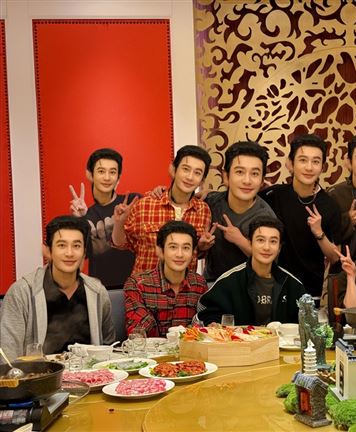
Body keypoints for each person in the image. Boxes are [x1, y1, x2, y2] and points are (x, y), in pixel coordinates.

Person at [0, 216, 115, 360]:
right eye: (61, 245)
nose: (69, 253)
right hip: (39, 372)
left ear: (84, 252)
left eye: (76, 246)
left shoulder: (97, 292)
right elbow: (7, 357)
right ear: (48, 251)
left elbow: (109, 348)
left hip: (90, 371)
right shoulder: (22, 293)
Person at [111, 145, 215, 275]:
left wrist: (201, 246)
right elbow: (121, 243)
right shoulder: (145, 204)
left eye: (197, 173)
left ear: (202, 181)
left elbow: (195, 254)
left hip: (184, 286)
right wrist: (119, 223)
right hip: (144, 285)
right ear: (173, 169)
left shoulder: (203, 211)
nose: (190, 177)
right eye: (185, 169)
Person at [260, 134, 341, 297]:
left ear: (323, 167)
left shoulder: (330, 205)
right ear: (290, 163)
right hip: (272, 288)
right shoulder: (273, 195)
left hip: (309, 292)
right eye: (303, 160)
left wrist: (319, 233)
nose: (309, 167)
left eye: (316, 162)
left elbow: (335, 258)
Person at [195, 216, 306, 326]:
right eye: (260, 240)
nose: (266, 247)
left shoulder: (292, 284)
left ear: (279, 248)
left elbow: (307, 322)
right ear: (250, 243)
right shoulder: (229, 281)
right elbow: (204, 311)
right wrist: (212, 324)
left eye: (273, 241)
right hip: (240, 338)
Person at [203, 141, 276, 282]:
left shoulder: (267, 218)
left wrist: (241, 241)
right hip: (212, 283)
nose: (247, 181)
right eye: (240, 172)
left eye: (255, 173)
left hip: (250, 286)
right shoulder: (210, 202)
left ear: (262, 181)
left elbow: (270, 265)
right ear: (226, 177)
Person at [69, 148, 141, 290]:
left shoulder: (132, 202)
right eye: (101, 171)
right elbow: (79, 256)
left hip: (135, 289)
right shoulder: (86, 215)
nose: (107, 178)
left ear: (118, 177)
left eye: (112, 172)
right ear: (90, 175)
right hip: (100, 290)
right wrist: (79, 220)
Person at [124, 221, 207, 337]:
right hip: (149, 348)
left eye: (186, 248)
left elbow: (203, 327)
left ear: (193, 252)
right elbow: (138, 332)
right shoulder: (138, 284)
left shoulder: (199, 284)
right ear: (160, 250)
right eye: (173, 247)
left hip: (189, 348)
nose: (179, 254)